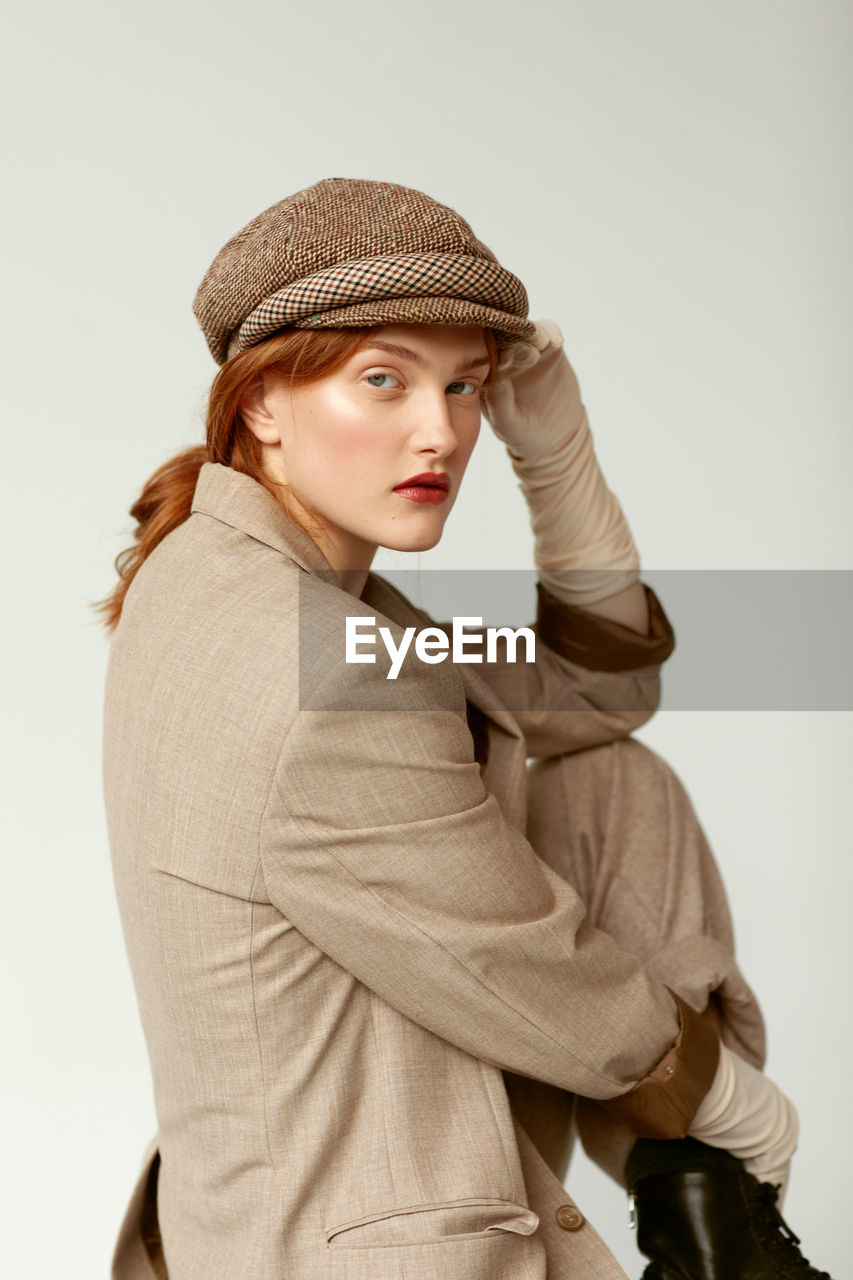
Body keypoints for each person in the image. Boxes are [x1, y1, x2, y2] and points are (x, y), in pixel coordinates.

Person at [95, 176, 831, 1279]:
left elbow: (593, 693)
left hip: (251, 1211)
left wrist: (555, 448)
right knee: (625, 981)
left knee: (610, 781)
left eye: (464, 386)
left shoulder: (238, 579)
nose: (436, 431)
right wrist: (737, 1108)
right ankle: (710, 1205)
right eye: (381, 380)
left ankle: (697, 1210)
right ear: (261, 402)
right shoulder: (332, 675)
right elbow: (540, 967)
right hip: (356, 1253)